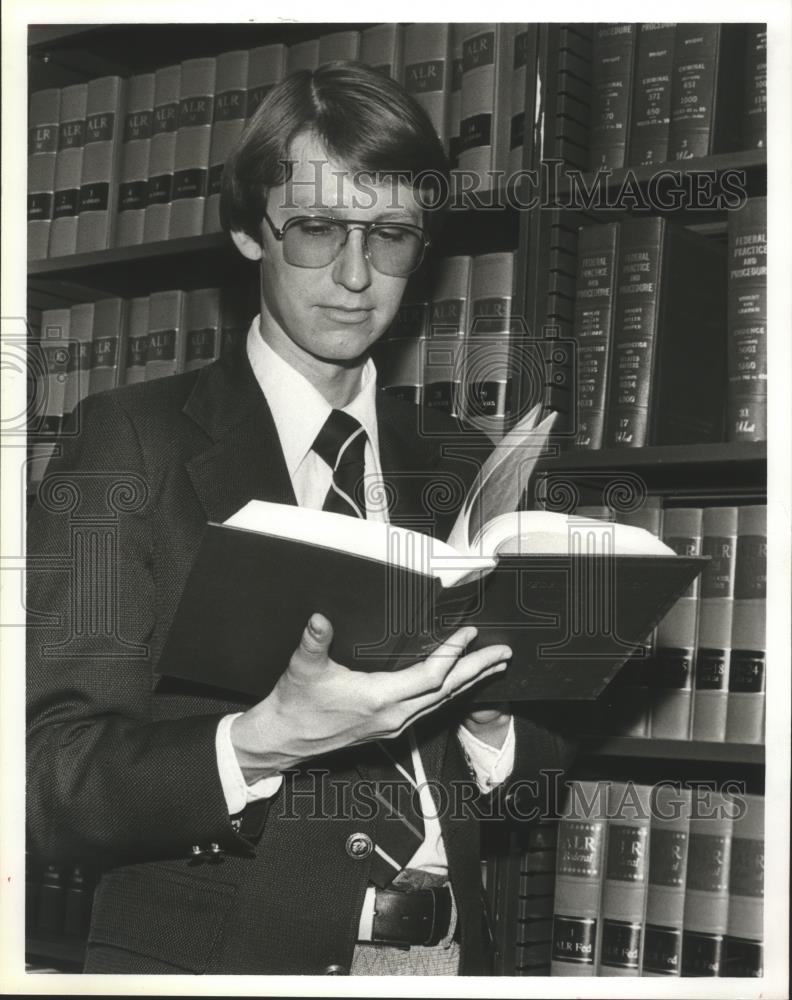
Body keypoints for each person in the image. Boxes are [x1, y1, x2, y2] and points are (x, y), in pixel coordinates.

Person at [26, 61, 574, 976]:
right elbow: (48, 780)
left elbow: (542, 770)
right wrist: (261, 740)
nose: (356, 276)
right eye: (318, 229)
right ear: (249, 230)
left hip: (453, 964)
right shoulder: (132, 441)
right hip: (226, 958)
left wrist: (490, 725)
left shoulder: (462, 459)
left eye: (392, 235)